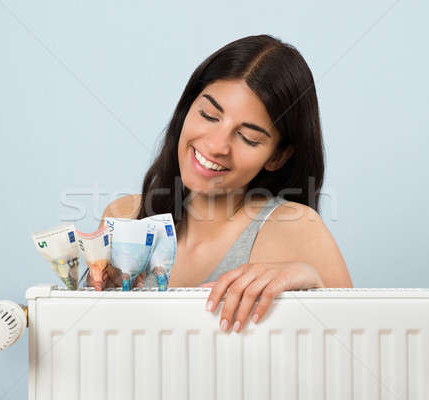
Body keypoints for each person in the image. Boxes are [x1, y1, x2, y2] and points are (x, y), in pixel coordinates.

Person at [89, 34, 353, 332]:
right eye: (209, 115)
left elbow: (363, 357)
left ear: (278, 156)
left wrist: (315, 285)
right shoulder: (123, 216)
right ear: (187, 108)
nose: (217, 146)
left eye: (248, 138)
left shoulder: (297, 228)